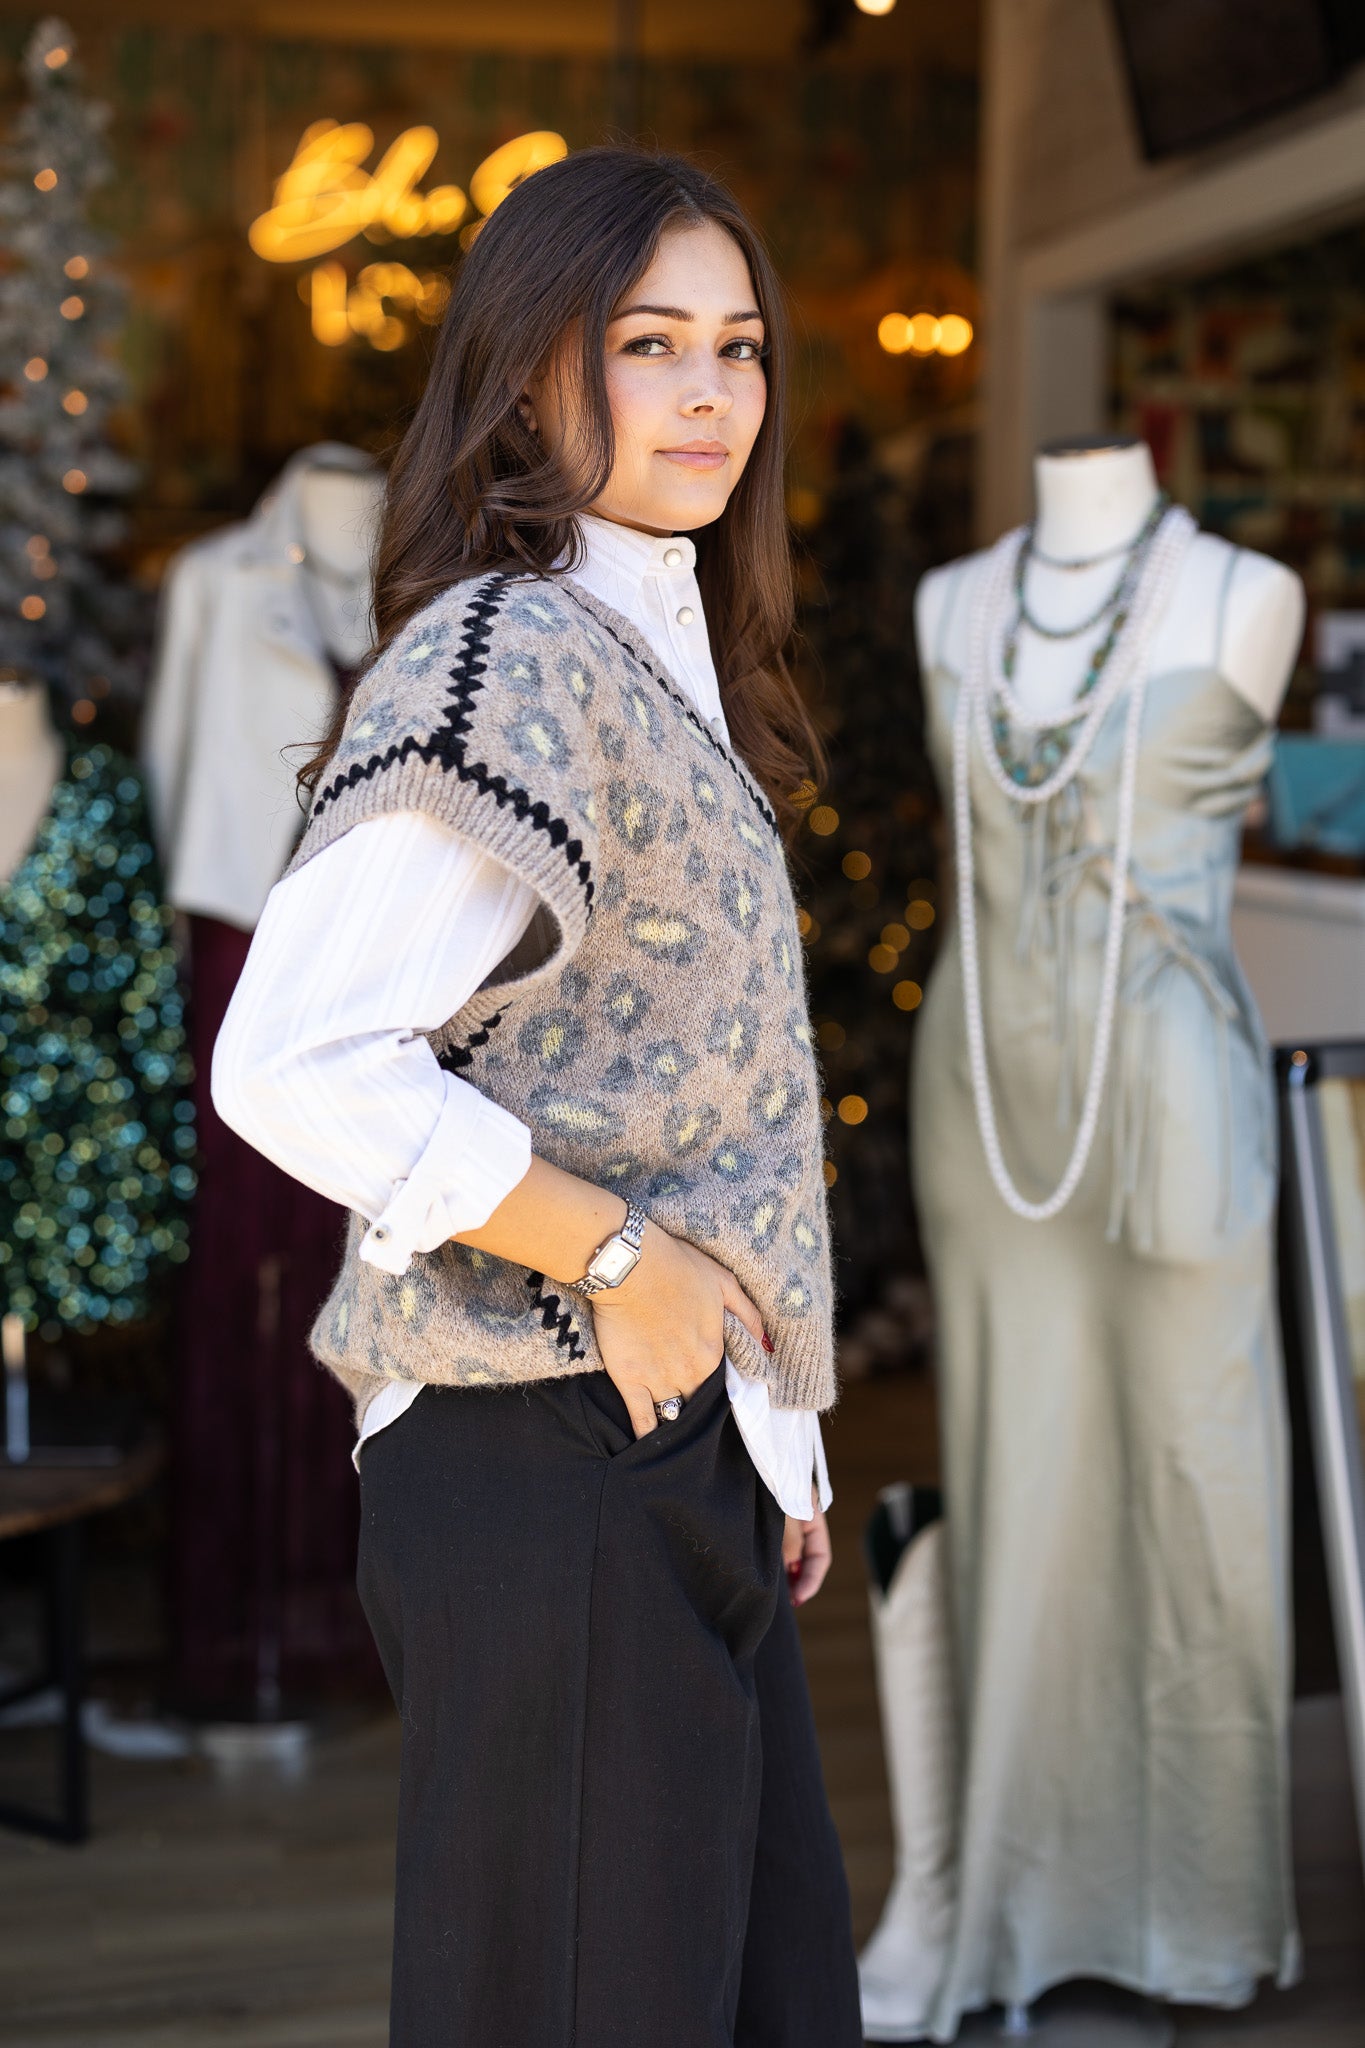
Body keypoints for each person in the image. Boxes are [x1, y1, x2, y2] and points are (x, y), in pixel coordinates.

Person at [212, 146, 862, 2048]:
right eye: (644, 343)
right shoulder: (505, 651)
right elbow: (290, 1057)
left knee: (751, 2000)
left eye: (736, 348)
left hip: (661, 1451)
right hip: (540, 1447)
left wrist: (774, 1426)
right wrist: (630, 1263)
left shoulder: (647, 651)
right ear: (525, 371)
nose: (706, 394)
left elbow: (680, 1077)